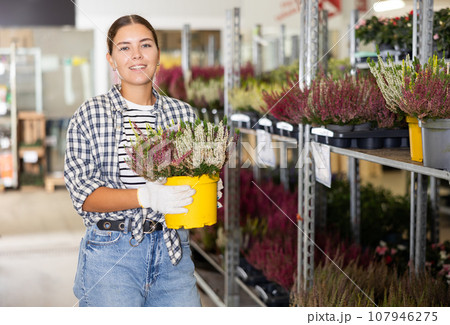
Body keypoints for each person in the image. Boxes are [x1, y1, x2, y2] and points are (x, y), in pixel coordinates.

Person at [64, 14, 202, 307]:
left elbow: (194, 176)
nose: (137, 55)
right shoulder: (90, 115)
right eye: (124, 48)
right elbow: (84, 196)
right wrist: (145, 195)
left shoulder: (183, 115)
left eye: (145, 45)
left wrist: (203, 190)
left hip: (173, 252)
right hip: (111, 254)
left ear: (158, 55)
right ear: (111, 59)